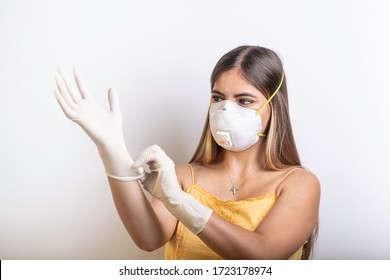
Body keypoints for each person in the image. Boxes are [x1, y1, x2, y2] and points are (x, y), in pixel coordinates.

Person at [54, 45, 320, 260]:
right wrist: (111, 148)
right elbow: (148, 239)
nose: (226, 111)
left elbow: (263, 257)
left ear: (275, 106)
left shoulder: (299, 184)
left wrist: (180, 203)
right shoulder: (183, 177)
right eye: (218, 98)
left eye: (244, 101)